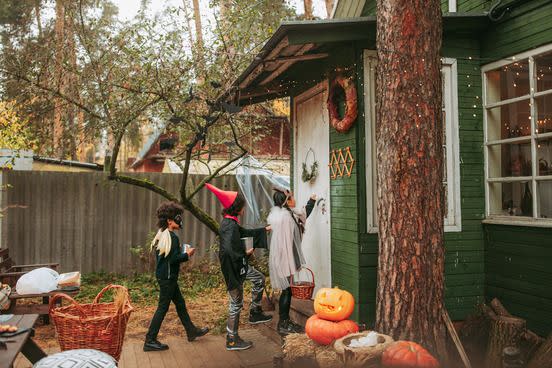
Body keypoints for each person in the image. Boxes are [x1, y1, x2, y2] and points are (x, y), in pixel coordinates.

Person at [204, 183, 272, 351]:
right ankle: (232, 339)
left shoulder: (231, 223)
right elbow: (227, 251)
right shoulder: (229, 227)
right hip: (233, 269)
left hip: (239, 266)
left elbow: (244, 233)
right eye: (242, 206)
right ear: (236, 208)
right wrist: (245, 254)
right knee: (236, 302)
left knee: (259, 279)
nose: (244, 209)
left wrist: (264, 230)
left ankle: (255, 312)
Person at [144, 202, 209, 352]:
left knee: (180, 304)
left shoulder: (162, 234)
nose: (180, 221)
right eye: (178, 217)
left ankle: (191, 331)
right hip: (168, 279)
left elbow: (168, 258)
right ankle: (150, 340)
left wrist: (182, 254)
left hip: (166, 277)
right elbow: (173, 259)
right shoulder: (172, 238)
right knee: (162, 308)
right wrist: (187, 254)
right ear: (169, 220)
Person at [267, 188, 316, 335]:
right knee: (287, 290)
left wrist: (311, 201)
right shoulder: (286, 218)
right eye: (292, 198)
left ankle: (284, 321)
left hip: (283, 257)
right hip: (284, 257)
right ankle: (283, 323)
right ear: (286, 201)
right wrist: (289, 261)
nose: (294, 200)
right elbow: (287, 242)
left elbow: (302, 214)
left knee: (286, 290)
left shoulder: (286, 214)